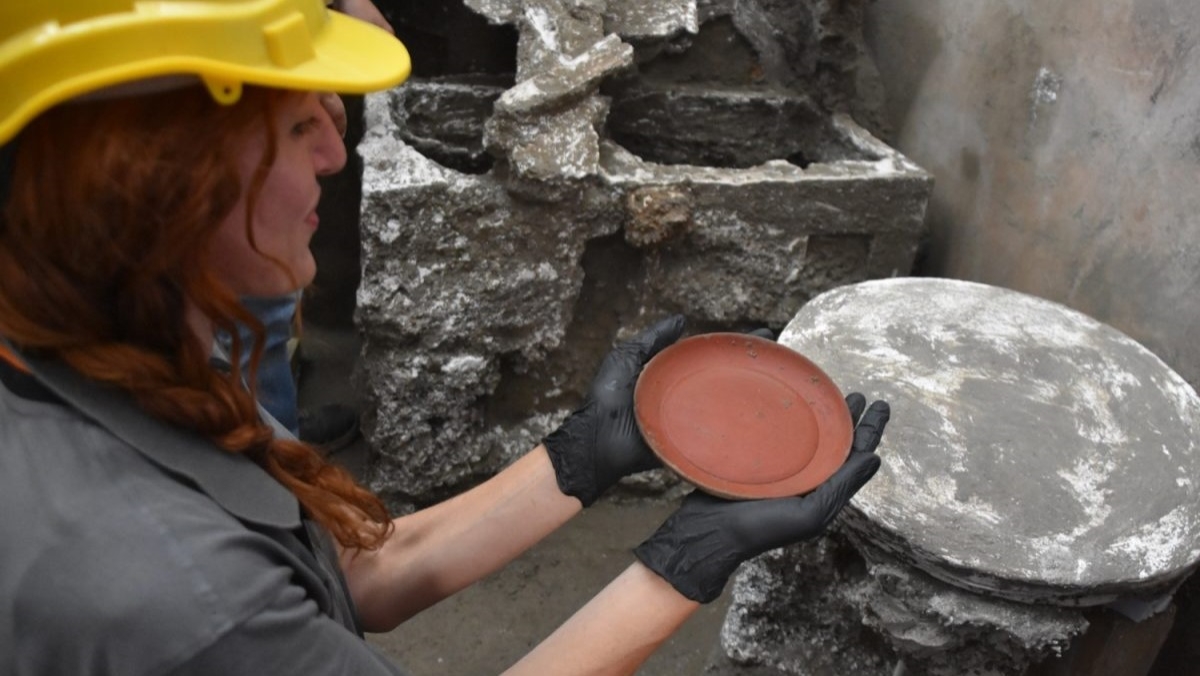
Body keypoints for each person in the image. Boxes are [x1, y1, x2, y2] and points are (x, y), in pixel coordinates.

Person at [0, 1, 890, 674]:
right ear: (157, 183)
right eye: (297, 125)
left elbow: (353, 574)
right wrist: (683, 565)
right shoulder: (177, 598)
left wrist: (576, 460)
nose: (333, 157)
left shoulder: (111, 355)